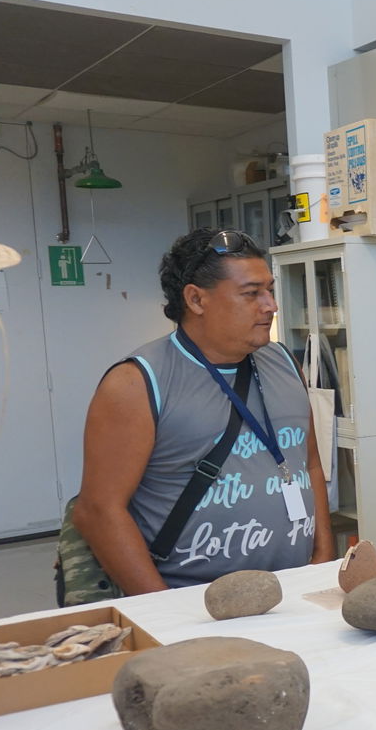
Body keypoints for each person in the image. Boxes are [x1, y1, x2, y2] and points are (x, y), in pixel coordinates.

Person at [72, 228, 333, 593]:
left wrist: (323, 559)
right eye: (251, 293)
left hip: (293, 592)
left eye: (269, 290)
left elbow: (310, 463)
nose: (271, 305)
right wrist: (165, 613)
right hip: (192, 603)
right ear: (196, 300)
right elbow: (98, 511)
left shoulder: (286, 363)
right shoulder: (137, 382)